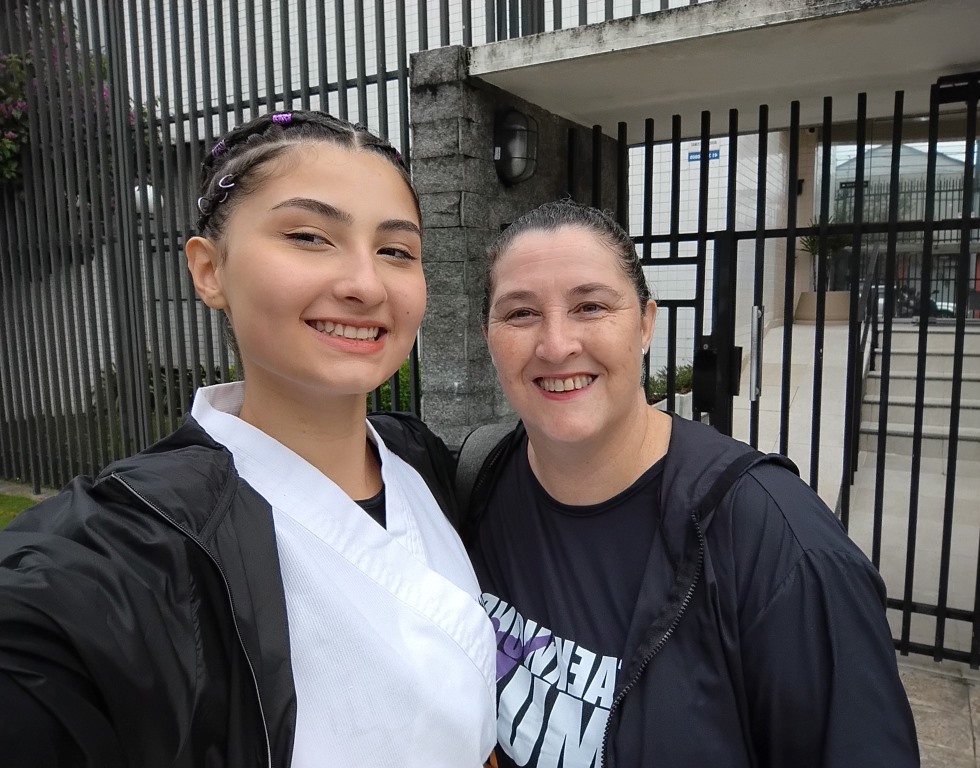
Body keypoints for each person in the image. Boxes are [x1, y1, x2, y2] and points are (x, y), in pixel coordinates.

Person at [0, 110, 496, 767]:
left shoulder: (418, 460)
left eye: (396, 251)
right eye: (310, 237)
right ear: (209, 270)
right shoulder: (134, 545)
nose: (366, 284)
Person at [464, 200, 919, 767]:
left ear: (645, 323)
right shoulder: (476, 481)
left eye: (591, 306)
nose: (556, 345)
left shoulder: (782, 549)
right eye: (521, 313)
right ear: (488, 336)